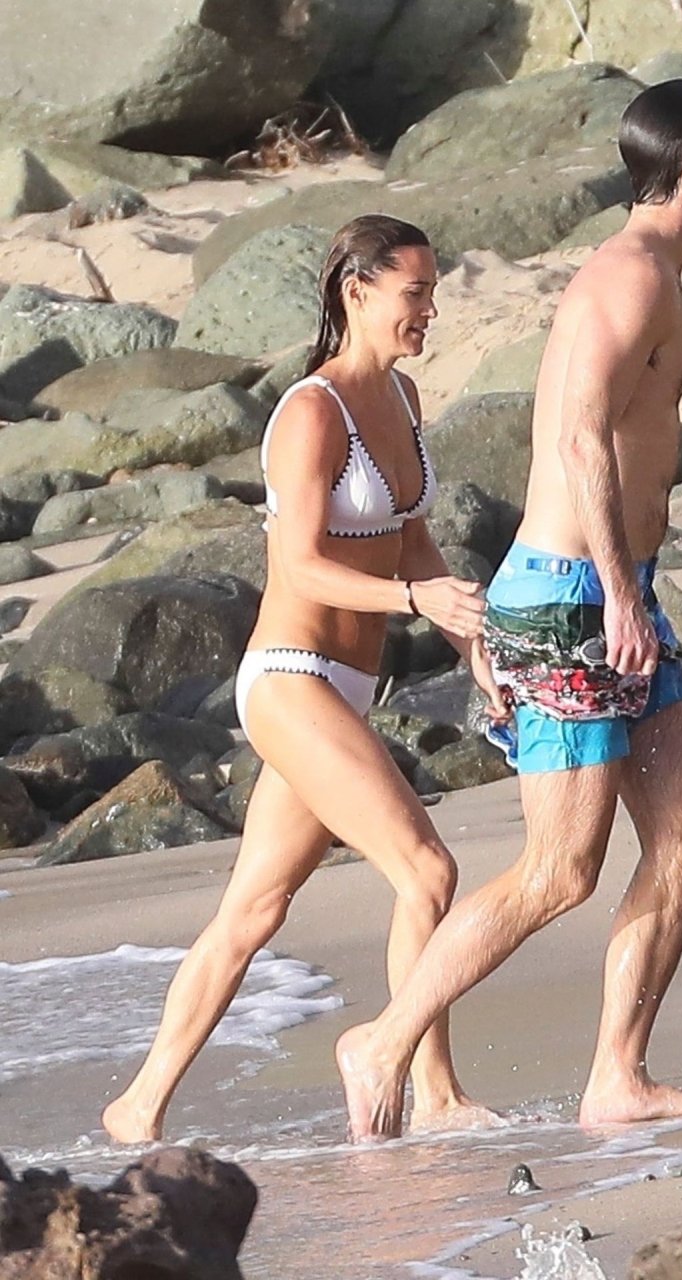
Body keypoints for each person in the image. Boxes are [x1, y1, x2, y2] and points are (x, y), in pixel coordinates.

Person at [335, 81, 682, 1140]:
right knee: (560, 870)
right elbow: (575, 435)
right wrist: (617, 591)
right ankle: (384, 1039)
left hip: (613, 590)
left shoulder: (656, 271)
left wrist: (631, 587)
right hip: (574, 598)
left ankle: (617, 1076)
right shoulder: (628, 277)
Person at [102, 214, 507, 1144]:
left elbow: (411, 536)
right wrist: (413, 599)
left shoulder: (401, 397)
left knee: (254, 910)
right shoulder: (311, 412)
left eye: (434, 293)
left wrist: (470, 649)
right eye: (415, 293)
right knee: (427, 870)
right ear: (357, 292)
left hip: (349, 685)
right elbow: (300, 565)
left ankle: (137, 1107)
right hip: (290, 676)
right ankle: (434, 1092)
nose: (430, 310)